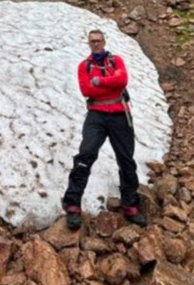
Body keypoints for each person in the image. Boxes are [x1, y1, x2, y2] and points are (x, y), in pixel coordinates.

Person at [61, 29, 146, 230]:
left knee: (126, 159)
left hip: (119, 114)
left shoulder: (116, 61)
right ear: (89, 44)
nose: (96, 44)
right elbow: (86, 90)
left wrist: (100, 82)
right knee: (85, 155)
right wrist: (111, 84)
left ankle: (130, 204)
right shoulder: (84, 66)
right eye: (93, 41)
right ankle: (72, 204)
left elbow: (122, 81)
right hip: (97, 115)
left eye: (99, 41)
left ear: (104, 41)